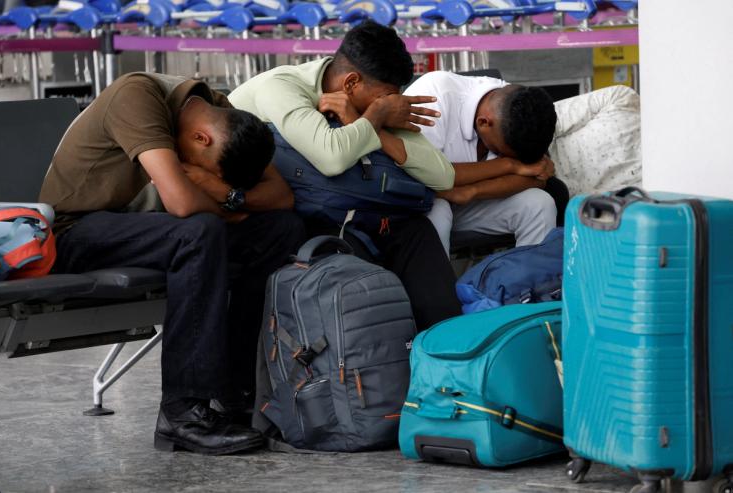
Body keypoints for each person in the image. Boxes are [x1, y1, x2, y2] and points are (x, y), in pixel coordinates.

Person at [39, 72, 306, 455]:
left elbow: (281, 197)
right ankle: (182, 414)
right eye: (211, 169)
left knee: (281, 228)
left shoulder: (219, 109)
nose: (209, 178)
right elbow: (182, 204)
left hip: (152, 230)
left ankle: (237, 391)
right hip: (77, 230)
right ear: (202, 138)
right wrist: (231, 208)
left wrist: (224, 193)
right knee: (198, 232)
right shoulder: (137, 96)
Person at [229, 21, 462, 330]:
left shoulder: (371, 102)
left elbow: (443, 176)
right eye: (386, 97)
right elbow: (331, 157)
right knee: (359, 267)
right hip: (283, 214)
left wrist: (368, 121)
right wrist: (375, 116)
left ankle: (444, 350)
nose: (393, 103)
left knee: (417, 234)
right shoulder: (282, 86)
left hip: (352, 207)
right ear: (351, 82)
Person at [403, 71, 569, 254]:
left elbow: (538, 177)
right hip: (424, 200)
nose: (502, 156)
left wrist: (472, 191)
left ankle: (527, 280)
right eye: (499, 152)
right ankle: (435, 283)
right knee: (437, 211)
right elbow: (424, 176)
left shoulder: (519, 108)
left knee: (540, 203)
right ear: (484, 123)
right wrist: (509, 165)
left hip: (470, 202)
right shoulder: (433, 97)